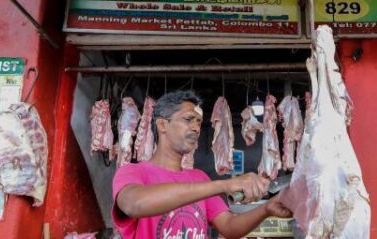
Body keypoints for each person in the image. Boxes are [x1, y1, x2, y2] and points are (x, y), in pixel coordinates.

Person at [112, 90, 292, 239]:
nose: (196, 128)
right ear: (162, 125)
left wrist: (266, 209)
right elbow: (134, 204)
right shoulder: (132, 172)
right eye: (188, 119)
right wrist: (225, 185)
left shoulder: (199, 178)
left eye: (198, 122)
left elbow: (229, 227)